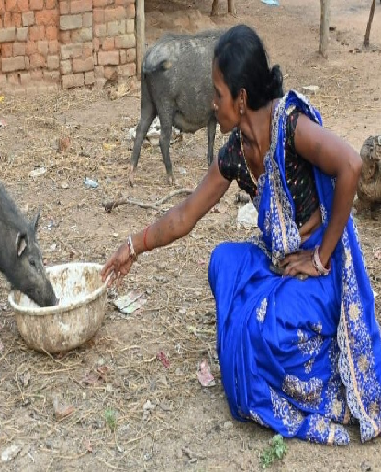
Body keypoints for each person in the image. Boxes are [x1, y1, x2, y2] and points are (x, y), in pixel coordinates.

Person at [101, 24, 381, 445]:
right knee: (224, 262)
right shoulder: (236, 152)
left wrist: (320, 256)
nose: (213, 104)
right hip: (279, 266)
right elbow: (186, 214)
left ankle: (307, 361)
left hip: (317, 277)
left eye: (218, 93)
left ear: (242, 98)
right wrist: (133, 246)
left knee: (266, 329)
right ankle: (254, 348)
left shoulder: (291, 127)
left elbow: (350, 167)